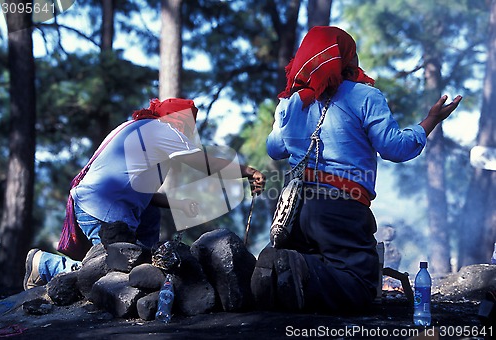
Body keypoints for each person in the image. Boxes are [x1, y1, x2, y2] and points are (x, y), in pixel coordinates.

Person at [250, 26, 462, 313]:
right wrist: (430, 121)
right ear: (345, 57)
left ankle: (284, 266)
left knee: (313, 283)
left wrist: (283, 115)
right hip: (342, 206)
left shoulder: (291, 103)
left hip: (297, 210)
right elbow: (394, 148)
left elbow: (275, 149)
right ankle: (297, 267)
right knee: (359, 284)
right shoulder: (364, 96)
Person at [24, 98, 266, 290]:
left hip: (95, 205)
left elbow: (143, 194)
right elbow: (200, 161)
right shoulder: (162, 130)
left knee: (143, 238)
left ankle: (146, 261)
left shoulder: (139, 130)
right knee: (114, 273)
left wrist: (178, 204)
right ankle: (47, 265)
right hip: (103, 210)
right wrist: (246, 170)